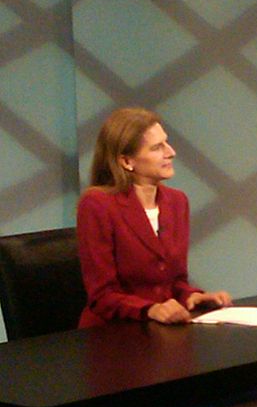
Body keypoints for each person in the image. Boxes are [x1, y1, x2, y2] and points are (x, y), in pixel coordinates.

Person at [77, 107, 231, 327]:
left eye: (166, 143)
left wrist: (193, 296)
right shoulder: (97, 204)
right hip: (113, 332)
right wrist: (151, 309)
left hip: (162, 329)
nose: (171, 152)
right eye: (157, 147)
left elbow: (174, 281)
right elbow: (102, 296)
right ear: (126, 161)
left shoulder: (177, 202)